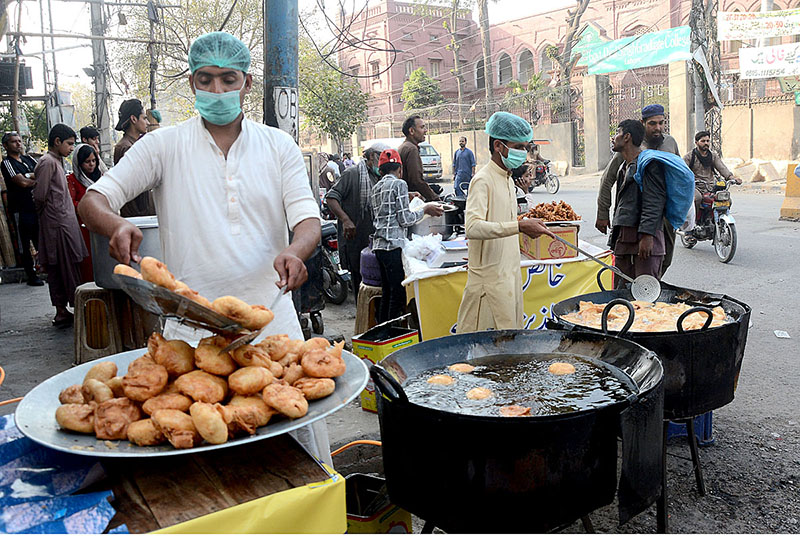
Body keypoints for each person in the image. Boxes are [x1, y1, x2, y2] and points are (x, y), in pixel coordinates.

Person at [78, 31, 330, 465]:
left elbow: (306, 218)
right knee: (205, 454)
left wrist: (296, 251)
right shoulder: (162, 146)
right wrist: (116, 224)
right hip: (191, 334)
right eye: (206, 79)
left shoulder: (278, 145)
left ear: (246, 83)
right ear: (192, 83)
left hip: (272, 327)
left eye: (228, 79)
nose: (218, 91)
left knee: (299, 452)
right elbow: (93, 201)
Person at [455, 112, 553, 333]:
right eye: (518, 146)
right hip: (488, 288)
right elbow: (472, 227)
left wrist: (524, 222)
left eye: (526, 147)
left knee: (509, 352)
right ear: (498, 146)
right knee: (484, 356)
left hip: (509, 280)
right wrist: (519, 227)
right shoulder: (482, 180)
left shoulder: (507, 179)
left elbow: (501, 222)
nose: (524, 153)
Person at [595, 103, 678, 277]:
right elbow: (607, 180)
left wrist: (648, 234)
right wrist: (603, 212)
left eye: (661, 123)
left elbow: (663, 190)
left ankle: (652, 290)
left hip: (663, 215)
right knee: (629, 272)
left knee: (660, 260)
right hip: (635, 218)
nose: (658, 128)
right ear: (642, 123)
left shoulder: (668, 144)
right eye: (652, 124)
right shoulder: (629, 151)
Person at [370, 148, 442, 323]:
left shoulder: (376, 188)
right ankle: (392, 333)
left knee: (387, 292)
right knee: (397, 294)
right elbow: (405, 219)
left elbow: (385, 212)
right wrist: (425, 209)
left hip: (379, 247)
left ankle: (383, 331)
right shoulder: (399, 184)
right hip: (393, 247)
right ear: (400, 170)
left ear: (381, 170)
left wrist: (407, 196)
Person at [34, 124, 89, 327]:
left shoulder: (56, 162)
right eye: (69, 144)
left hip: (64, 222)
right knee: (60, 268)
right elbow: (40, 196)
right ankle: (63, 310)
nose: (71, 149)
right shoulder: (47, 162)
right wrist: (52, 217)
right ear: (57, 142)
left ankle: (67, 310)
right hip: (56, 225)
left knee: (69, 266)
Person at [608, 119, 667, 287]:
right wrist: (614, 239)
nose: (614, 137)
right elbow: (620, 206)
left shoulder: (649, 164)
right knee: (620, 291)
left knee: (645, 293)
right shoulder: (624, 167)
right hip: (625, 239)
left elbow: (654, 201)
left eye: (617, 133)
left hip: (645, 240)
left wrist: (648, 236)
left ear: (626, 137)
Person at [325, 143, 386, 300]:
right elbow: (331, 198)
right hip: (356, 238)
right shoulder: (352, 174)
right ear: (371, 156)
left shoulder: (381, 176)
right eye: (381, 157)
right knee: (361, 285)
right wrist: (345, 219)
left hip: (376, 239)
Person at [1, 132, 44, 286]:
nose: (18, 144)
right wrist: (34, 179)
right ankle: (31, 276)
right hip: (21, 209)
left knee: (40, 240)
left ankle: (43, 270)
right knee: (25, 244)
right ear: (6, 146)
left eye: (19, 141)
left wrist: (29, 175)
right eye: (14, 142)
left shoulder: (27, 159)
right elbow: (22, 183)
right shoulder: (7, 163)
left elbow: (41, 172)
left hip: (35, 207)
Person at [684, 130, 741, 225]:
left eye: (707, 141)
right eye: (703, 141)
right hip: (696, 186)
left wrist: (731, 177)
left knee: (727, 200)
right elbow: (683, 171)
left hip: (710, 186)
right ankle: (693, 224)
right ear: (696, 142)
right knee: (697, 199)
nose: (706, 143)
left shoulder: (713, 156)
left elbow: (722, 168)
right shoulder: (690, 156)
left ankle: (716, 220)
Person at [67, 144, 103, 283]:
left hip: (100, 225)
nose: (91, 165)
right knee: (88, 263)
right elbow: (71, 203)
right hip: (83, 228)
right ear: (79, 162)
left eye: (94, 161)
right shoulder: (72, 180)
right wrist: (89, 206)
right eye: (87, 162)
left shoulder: (100, 177)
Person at [114, 98, 155, 218]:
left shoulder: (133, 145)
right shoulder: (126, 148)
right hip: (136, 216)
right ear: (133, 119)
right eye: (144, 118)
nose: (147, 123)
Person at [398, 115, 439, 201]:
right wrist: (435, 198)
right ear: (412, 131)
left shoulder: (404, 147)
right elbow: (416, 181)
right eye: (422, 127)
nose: (425, 131)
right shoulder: (411, 149)